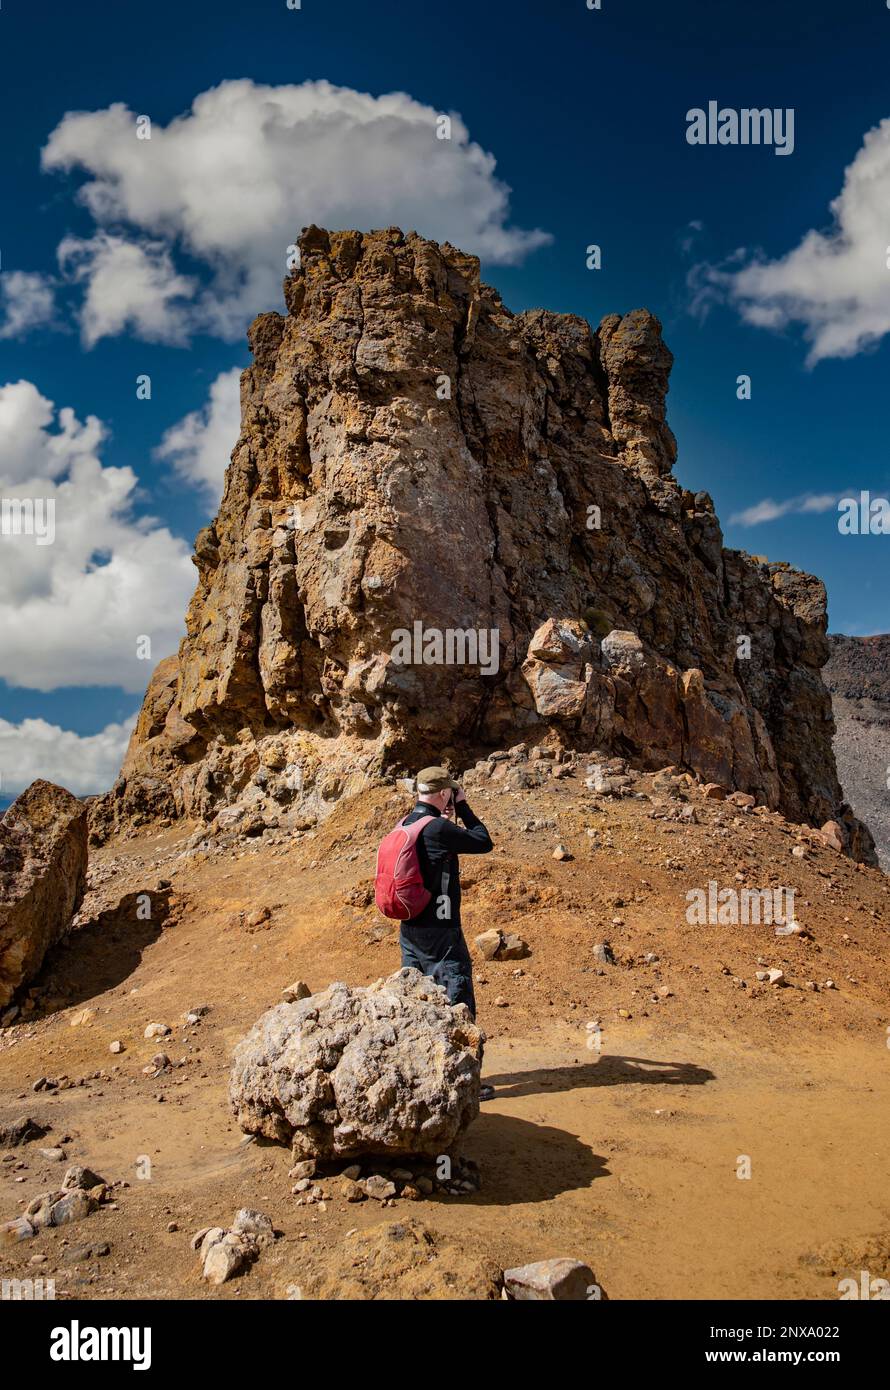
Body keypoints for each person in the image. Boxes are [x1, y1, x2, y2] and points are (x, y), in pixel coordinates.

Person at [399, 765, 493, 1021]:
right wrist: (462, 806)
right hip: (441, 929)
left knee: (415, 998)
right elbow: (483, 841)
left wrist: (446, 815)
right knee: (455, 998)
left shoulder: (406, 824)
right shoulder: (439, 829)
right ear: (443, 794)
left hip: (409, 929)